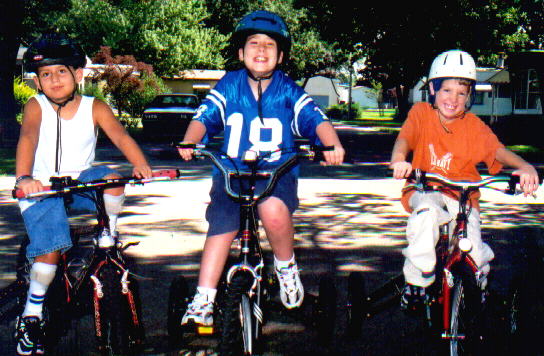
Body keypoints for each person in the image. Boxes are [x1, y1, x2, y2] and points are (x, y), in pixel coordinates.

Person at [178, 10, 345, 326]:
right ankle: (204, 296)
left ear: (281, 56)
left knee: (272, 209)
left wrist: (331, 144)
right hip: (232, 173)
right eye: (253, 43)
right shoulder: (229, 85)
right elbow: (204, 117)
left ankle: (286, 268)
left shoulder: (287, 89)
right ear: (241, 52)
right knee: (222, 225)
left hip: (276, 173)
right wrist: (190, 141)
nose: (261, 50)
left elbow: (316, 119)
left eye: (270, 45)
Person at [14, 32, 152, 355]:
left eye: (61, 71)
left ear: (78, 75)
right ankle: (31, 314)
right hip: (41, 186)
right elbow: (28, 139)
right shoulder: (35, 106)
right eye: (45, 74)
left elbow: (119, 136)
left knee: (113, 179)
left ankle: (109, 234)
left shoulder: (95, 106)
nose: (54, 80)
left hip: (80, 182)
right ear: (37, 82)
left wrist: (141, 164)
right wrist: (23, 178)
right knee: (51, 244)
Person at [390, 49, 540, 310]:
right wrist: (400, 160)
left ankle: (478, 282)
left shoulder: (473, 126)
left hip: (463, 195)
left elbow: (497, 151)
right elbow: (404, 139)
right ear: (433, 90)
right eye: (447, 90)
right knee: (425, 216)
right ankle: (417, 281)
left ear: (470, 96)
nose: (453, 98)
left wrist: (525, 166)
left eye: (462, 92)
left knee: (473, 246)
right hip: (427, 189)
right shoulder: (421, 114)